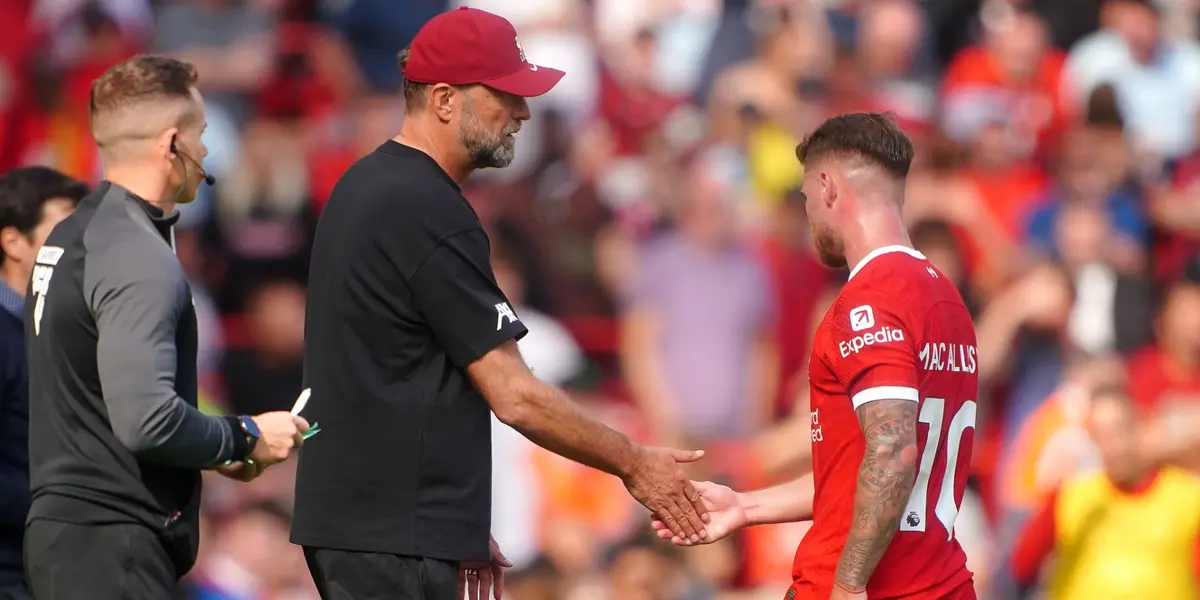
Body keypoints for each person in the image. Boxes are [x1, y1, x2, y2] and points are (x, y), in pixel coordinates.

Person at [291, 8, 709, 600]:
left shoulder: (369, 185)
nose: (523, 113)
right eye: (505, 95)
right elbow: (513, 394)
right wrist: (636, 464)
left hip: (379, 524)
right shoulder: (424, 205)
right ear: (443, 99)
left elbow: (398, 368)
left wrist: (452, 527)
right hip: (393, 534)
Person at [652, 113, 979, 600]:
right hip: (944, 585)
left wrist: (847, 586)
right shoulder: (948, 302)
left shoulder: (868, 302)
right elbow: (857, 473)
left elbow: (892, 452)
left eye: (806, 199)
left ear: (827, 187)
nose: (808, 217)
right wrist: (746, 506)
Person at [22, 56, 309, 600]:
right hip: (114, 546)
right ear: (172, 142)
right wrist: (244, 436)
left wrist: (217, 451)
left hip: (70, 539)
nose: (207, 152)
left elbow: (103, 400)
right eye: (201, 133)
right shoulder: (137, 254)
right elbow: (147, 421)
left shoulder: (73, 236)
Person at [1010, 383, 1200, 600]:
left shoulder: (1188, 497)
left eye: (1120, 430)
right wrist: (1051, 494)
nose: (1114, 446)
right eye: (1101, 435)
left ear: (1140, 427)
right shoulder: (1072, 495)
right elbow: (1022, 565)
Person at [0, 167, 85, 600]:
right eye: (63, 231)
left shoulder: (70, 331)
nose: (80, 248)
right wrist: (62, 508)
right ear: (13, 242)